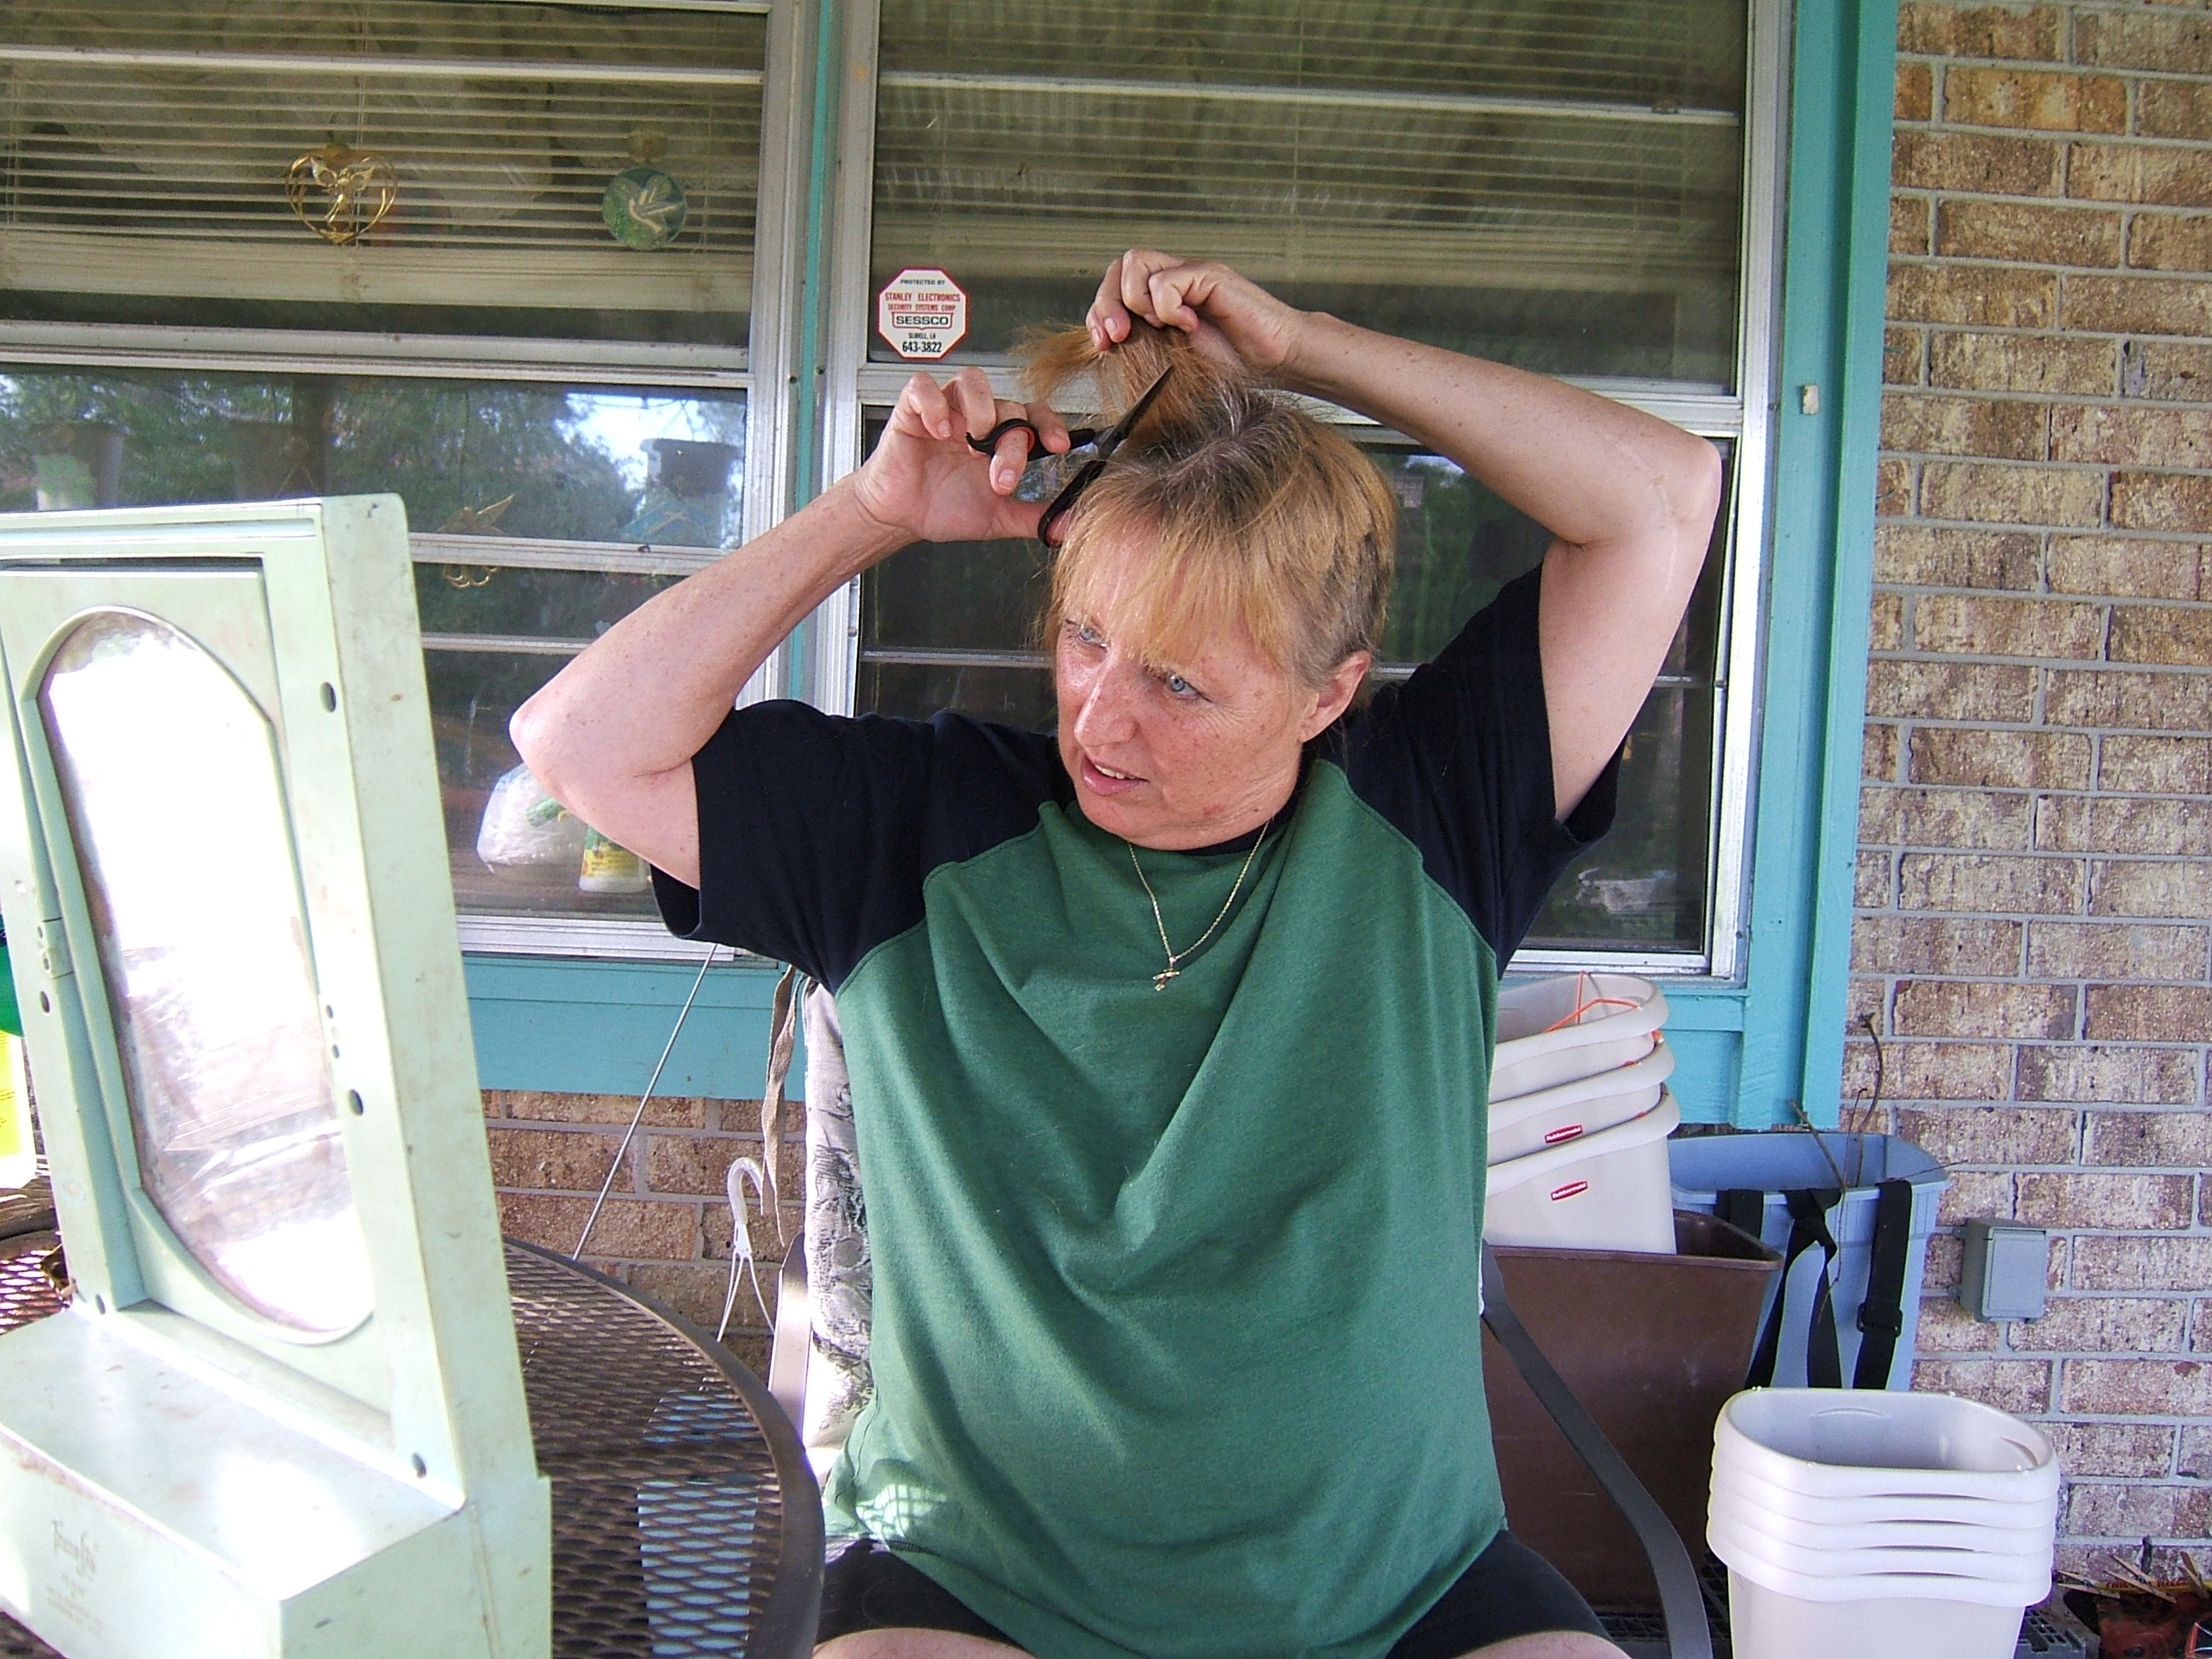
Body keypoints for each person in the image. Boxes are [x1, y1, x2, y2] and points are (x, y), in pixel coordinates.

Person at [513, 250, 1723, 1659]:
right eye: (1088, 639)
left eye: (1180, 682)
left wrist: (1307, 347)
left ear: (1328, 693)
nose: (1099, 721)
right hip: (981, 1591)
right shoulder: (912, 833)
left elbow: (1662, 499)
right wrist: (871, 513)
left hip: (1406, 1597)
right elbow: (577, 745)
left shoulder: (1433, 819)